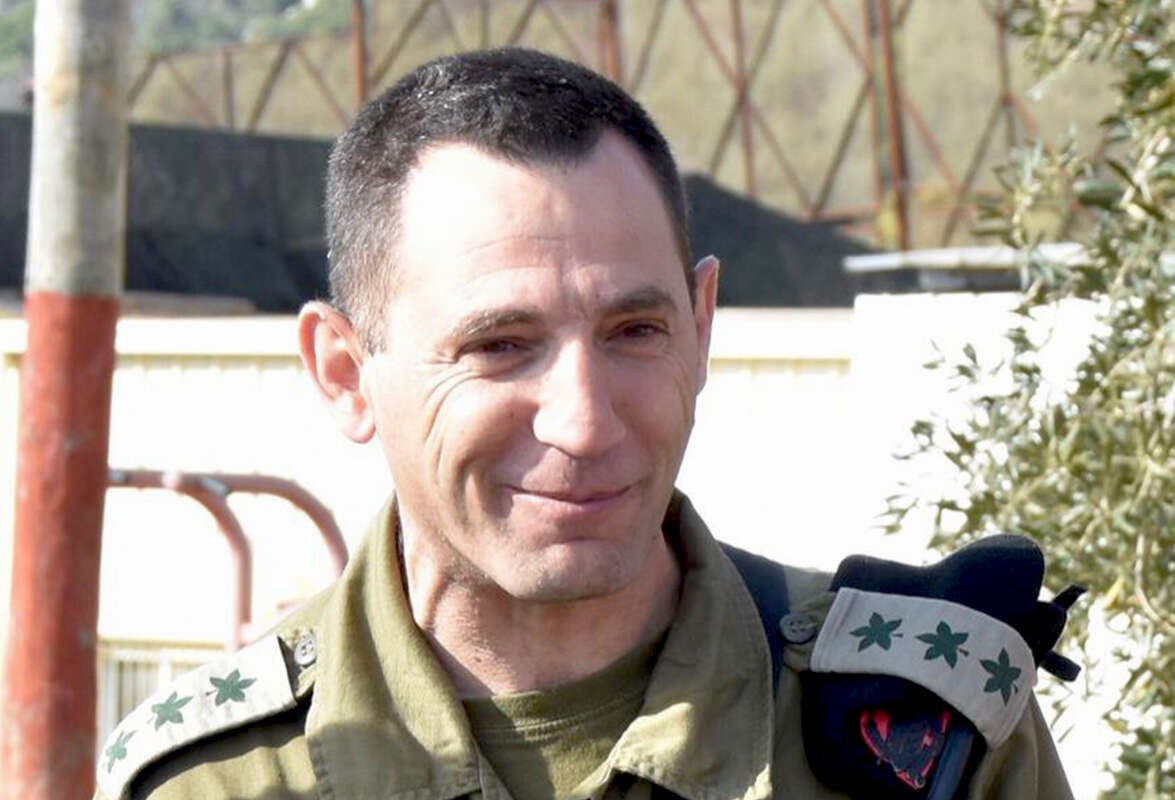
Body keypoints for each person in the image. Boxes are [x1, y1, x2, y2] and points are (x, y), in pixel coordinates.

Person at [95, 48, 1076, 800]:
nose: (584, 421)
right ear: (346, 374)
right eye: (499, 345)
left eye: (634, 330)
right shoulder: (212, 780)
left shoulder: (924, 733)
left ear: (701, 326)